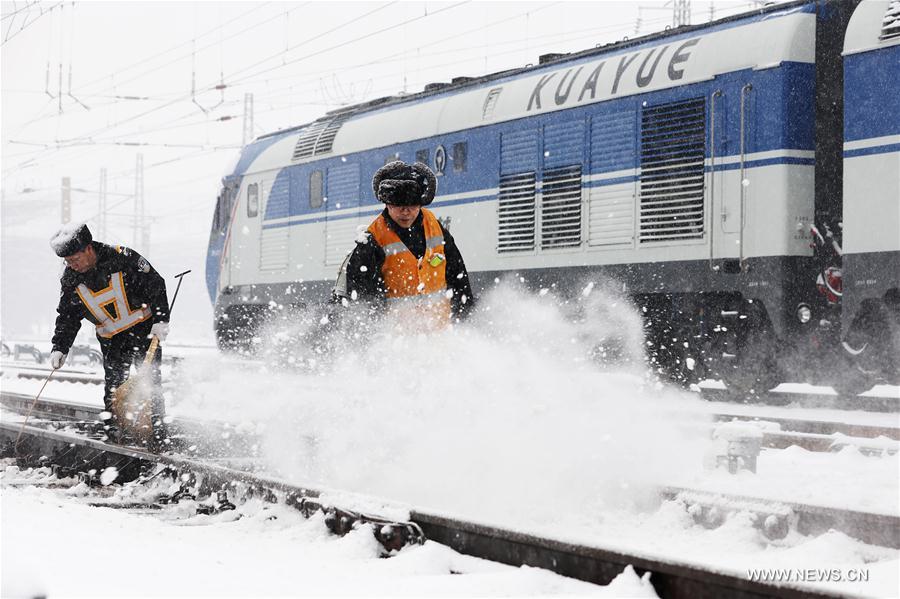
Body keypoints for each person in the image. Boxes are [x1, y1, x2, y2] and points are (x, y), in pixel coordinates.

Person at [48, 223, 170, 449]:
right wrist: (60, 347)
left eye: (74, 259)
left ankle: (158, 435)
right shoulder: (71, 279)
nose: (71, 265)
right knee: (114, 387)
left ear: (88, 249)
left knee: (150, 382)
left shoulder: (122, 259)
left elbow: (155, 284)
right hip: (112, 340)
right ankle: (116, 435)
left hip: (143, 332)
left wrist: (162, 319)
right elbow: (68, 316)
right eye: (67, 261)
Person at [335, 160, 475, 330]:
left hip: (440, 338)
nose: (406, 212)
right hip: (395, 343)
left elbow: (459, 282)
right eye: (399, 206)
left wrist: (464, 325)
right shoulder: (371, 243)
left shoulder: (437, 230)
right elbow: (364, 305)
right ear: (387, 203)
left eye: (412, 205)